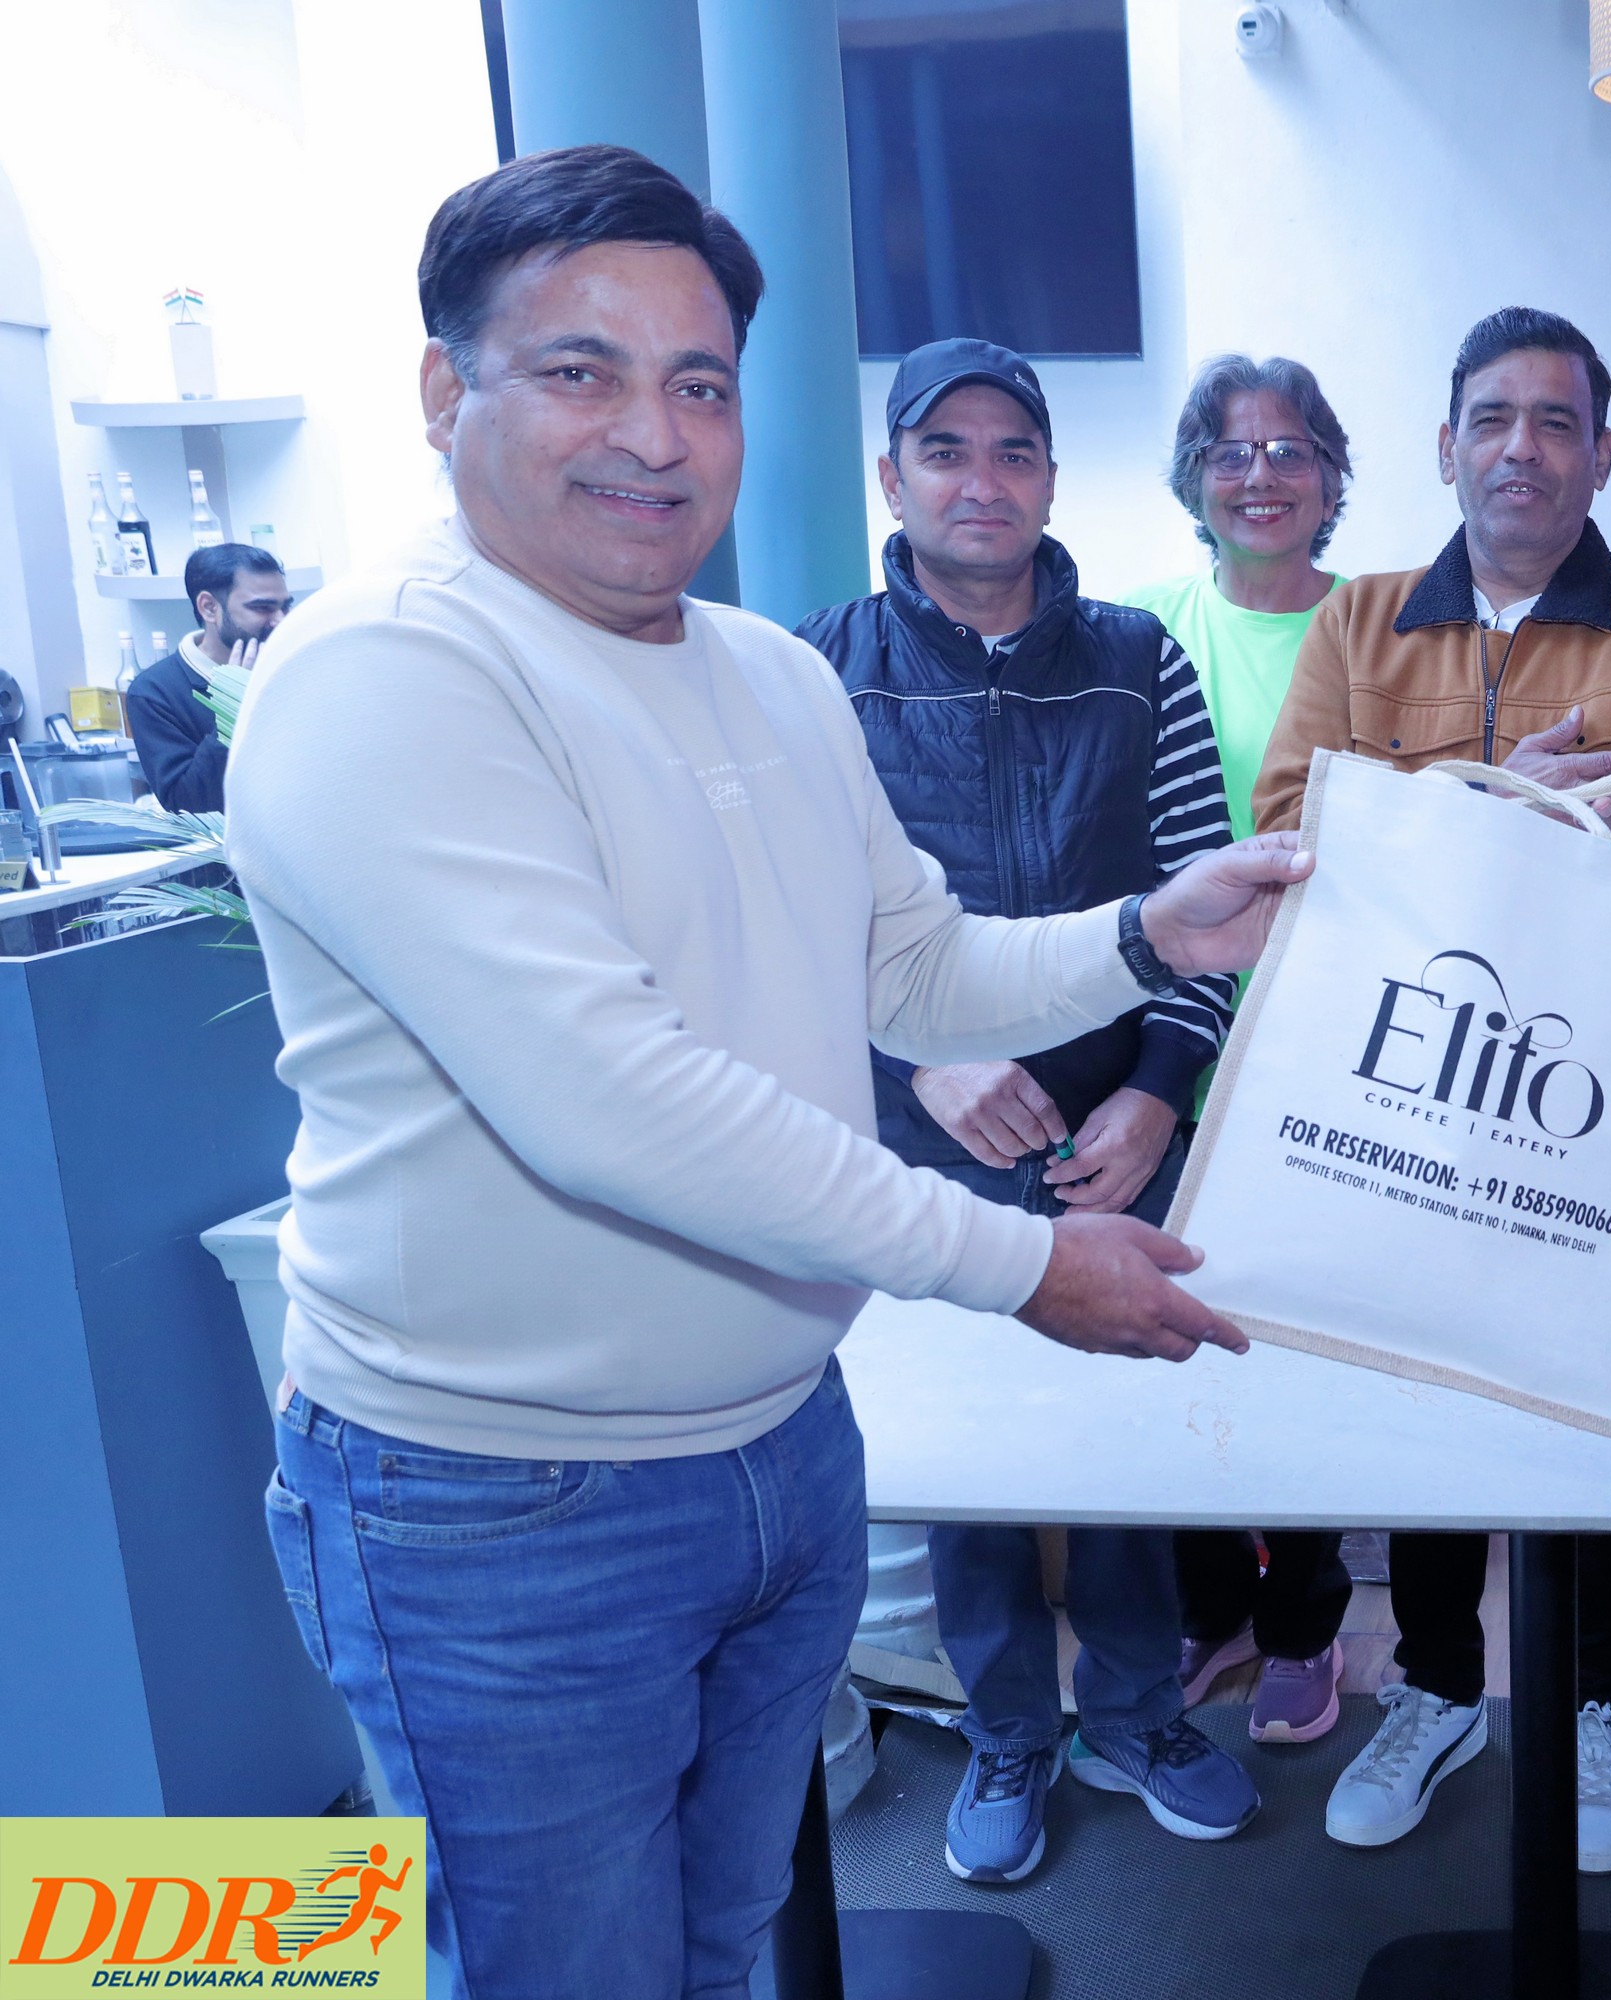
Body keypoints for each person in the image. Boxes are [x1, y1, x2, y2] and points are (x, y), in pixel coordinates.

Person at [226, 146, 1305, 2000]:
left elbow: (917, 966)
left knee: (723, 1950)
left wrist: (1150, 935)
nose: (655, 435)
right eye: (580, 371)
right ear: (443, 392)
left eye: (701, 383)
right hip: (503, 1505)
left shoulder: (768, 675)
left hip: (785, 1443)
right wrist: (1024, 1266)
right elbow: (609, 1099)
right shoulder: (387, 673)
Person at [1253, 306, 1611, 1874]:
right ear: (1446, 445)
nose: (1520, 447)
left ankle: (1588, 1707)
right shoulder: (1360, 622)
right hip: (1399, 1087)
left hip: (1587, 1101)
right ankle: (1439, 1692)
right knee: (1419, 1406)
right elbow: (1287, 821)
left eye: (1555, 422)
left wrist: (1445, 819)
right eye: (1492, 417)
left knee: (1577, 1418)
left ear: (1600, 456)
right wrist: (1496, 803)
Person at [796, 338, 1259, 1882]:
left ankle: (1136, 1714)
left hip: (1116, 1139)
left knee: (1123, 1436)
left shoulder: (1137, 658)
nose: (981, 482)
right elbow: (789, 934)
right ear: (893, 477)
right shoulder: (817, 669)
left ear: (1053, 478)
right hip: (920, 1149)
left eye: (1014, 452)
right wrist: (914, 1061)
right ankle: (1007, 1728)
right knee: (971, 1459)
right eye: (946, 451)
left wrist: (1157, 1093)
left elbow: (1203, 912)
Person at [1121, 354, 1359, 1744]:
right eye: (1230, 452)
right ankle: (1208, 1603)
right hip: (1167, 1060)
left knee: (1302, 1352)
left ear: (1330, 478)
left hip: (1325, 1053)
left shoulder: (1375, 627)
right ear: (1193, 479)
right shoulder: (1141, 627)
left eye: (1289, 451)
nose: (1260, 475)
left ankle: (1306, 1627)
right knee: (1175, 1338)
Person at [127, 542, 291, 811]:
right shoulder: (154, 692)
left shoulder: (292, 668)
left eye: (285, 607)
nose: (280, 620)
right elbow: (187, 805)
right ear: (209, 608)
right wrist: (233, 705)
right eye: (263, 608)